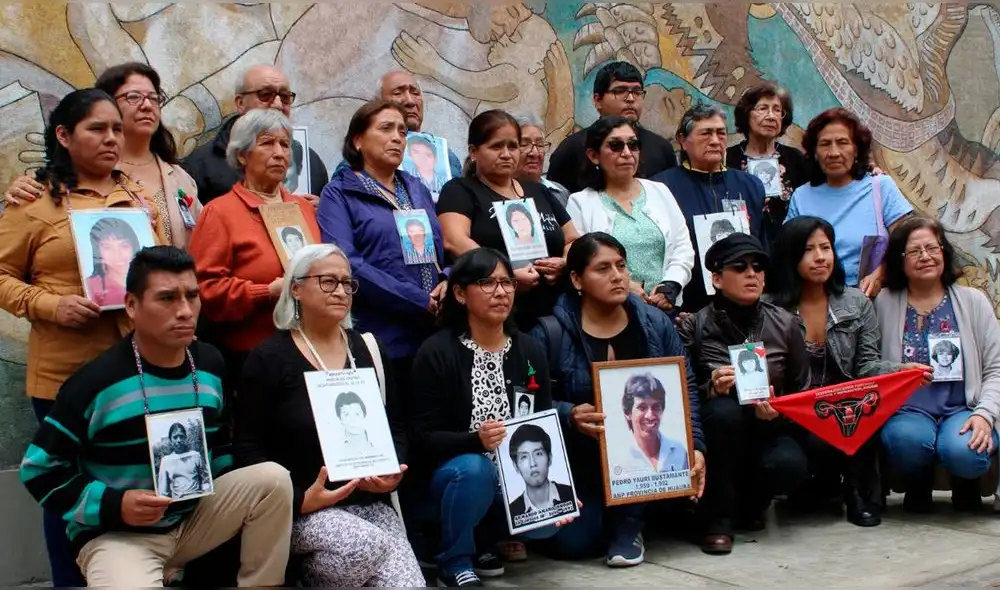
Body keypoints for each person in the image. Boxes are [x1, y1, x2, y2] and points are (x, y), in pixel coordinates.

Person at [19, 246, 293, 586]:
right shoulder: (96, 383)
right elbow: (39, 470)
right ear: (131, 306)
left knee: (273, 480)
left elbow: (220, 442)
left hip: (194, 520)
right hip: (119, 536)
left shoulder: (209, 364)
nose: (184, 311)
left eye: (192, 296)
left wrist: (214, 484)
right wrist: (116, 504)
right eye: (166, 298)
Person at [0, 88, 162, 587]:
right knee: (67, 492)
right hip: (64, 376)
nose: (112, 138)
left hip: (134, 369)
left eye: (116, 128)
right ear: (64, 136)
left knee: (128, 484)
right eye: (97, 128)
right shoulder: (32, 201)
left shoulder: (136, 198)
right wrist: (50, 304)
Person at [233, 243, 423, 587]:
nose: (341, 292)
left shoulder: (368, 348)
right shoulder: (269, 358)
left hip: (369, 503)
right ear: (295, 288)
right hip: (301, 511)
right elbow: (247, 449)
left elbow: (395, 424)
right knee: (361, 548)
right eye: (327, 282)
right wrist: (297, 498)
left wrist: (394, 469)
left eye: (347, 284)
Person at [531, 232, 706, 566]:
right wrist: (568, 414)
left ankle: (632, 522)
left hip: (646, 457)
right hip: (579, 458)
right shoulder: (549, 332)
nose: (617, 276)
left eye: (621, 266)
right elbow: (526, 405)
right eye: (603, 268)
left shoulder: (654, 322)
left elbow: (685, 386)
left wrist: (695, 444)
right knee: (576, 543)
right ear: (576, 279)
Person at [409, 248, 574, 587]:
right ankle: (453, 560)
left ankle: (485, 541)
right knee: (476, 468)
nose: (501, 292)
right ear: (459, 293)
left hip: (512, 475)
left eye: (507, 282)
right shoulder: (436, 352)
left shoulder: (529, 349)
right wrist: (475, 441)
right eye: (487, 283)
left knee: (547, 523)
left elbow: (542, 422)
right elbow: (422, 436)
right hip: (450, 477)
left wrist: (560, 485)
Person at [766, 216, 929, 526]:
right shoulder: (769, 307)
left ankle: (856, 491)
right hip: (791, 416)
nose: (820, 257)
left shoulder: (856, 302)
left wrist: (900, 370)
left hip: (846, 412)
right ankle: (815, 487)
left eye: (826, 248)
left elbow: (867, 365)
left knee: (861, 410)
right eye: (808, 250)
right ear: (789, 257)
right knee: (790, 463)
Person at [676, 233, 810, 555]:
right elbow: (678, 393)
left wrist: (777, 412)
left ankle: (752, 506)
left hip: (769, 428)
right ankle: (716, 519)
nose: (753, 274)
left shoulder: (787, 323)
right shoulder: (693, 325)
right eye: (741, 267)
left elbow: (802, 390)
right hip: (715, 433)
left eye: (759, 267)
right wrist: (711, 388)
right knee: (724, 412)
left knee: (790, 464)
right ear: (717, 278)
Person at [319, 100, 448, 398]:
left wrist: (449, 280)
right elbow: (347, 263)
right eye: (386, 128)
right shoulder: (339, 192)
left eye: (402, 131)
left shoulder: (415, 187)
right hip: (381, 336)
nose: (397, 138)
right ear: (358, 140)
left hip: (434, 331)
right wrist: (416, 299)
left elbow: (442, 250)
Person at [187, 108, 321, 395]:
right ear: (242, 155)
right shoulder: (219, 212)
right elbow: (203, 289)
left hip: (308, 346)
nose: (279, 153)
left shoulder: (303, 208)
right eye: (267, 143)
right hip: (251, 355)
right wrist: (265, 291)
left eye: (285, 144)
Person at [876, 216, 1000, 513]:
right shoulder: (884, 302)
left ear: (944, 252)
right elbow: (869, 364)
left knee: (965, 451)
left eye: (932, 248)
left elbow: (996, 367)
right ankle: (917, 481)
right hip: (908, 411)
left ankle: (965, 482)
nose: (926, 257)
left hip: (963, 409)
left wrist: (985, 414)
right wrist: (895, 370)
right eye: (914, 251)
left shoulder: (974, 301)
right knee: (904, 442)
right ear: (899, 260)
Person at [5, 62, 199, 248]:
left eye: (154, 97)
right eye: (134, 97)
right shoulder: (82, 174)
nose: (147, 105)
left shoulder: (181, 177)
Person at [438, 109, 579, 332]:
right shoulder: (460, 191)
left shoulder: (539, 192)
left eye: (513, 146)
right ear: (474, 152)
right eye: (496, 146)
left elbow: (572, 239)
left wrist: (564, 262)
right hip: (493, 316)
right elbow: (454, 240)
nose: (506, 154)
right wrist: (506, 276)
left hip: (554, 316)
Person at [566, 116, 694, 311]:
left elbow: (682, 247)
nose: (626, 153)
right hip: (610, 311)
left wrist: (671, 285)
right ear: (593, 155)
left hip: (664, 310)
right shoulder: (581, 203)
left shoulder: (660, 191)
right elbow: (582, 262)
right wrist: (626, 286)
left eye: (633, 145)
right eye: (615, 146)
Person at [651, 104, 767, 314]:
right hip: (687, 306)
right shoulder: (661, 187)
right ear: (682, 140)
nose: (715, 140)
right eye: (706, 133)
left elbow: (760, 241)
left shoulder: (750, 185)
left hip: (743, 305)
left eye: (721, 133)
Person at [785, 108, 913, 296]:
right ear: (814, 152)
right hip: (819, 302)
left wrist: (880, 273)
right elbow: (789, 252)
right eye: (825, 144)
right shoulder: (801, 196)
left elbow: (908, 241)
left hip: (874, 299)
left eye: (843, 143)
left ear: (856, 149)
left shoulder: (880, 187)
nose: (834, 152)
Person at [183, 64, 328, 204]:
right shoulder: (201, 165)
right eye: (265, 95)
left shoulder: (311, 162)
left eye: (284, 97)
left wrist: (322, 212)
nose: (278, 105)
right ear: (240, 103)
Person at [547, 62, 677, 194]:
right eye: (620, 91)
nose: (631, 98)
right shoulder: (572, 148)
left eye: (637, 92)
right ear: (598, 101)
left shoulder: (661, 148)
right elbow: (556, 201)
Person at [726, 83, 809, 245]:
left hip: (788, 247)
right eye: (762, 108)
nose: (771, 116)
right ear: (747, 114)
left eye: (777, 110)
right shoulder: (728, 158)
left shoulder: (795, 158)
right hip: (742, 246)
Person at [376, 70, 462, 178]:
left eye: (415, 93)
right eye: (397, 93)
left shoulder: (447, 158)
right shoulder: (369, 149)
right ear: (377, 104)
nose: (410, 101)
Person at [616, 373, 690, 473]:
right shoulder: (618, 458)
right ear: (628, 413)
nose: (650, 416)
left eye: (656, 407)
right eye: (642, 407)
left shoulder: (679, 451)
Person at [506, 424, 575, 521]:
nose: (532, 463)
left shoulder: (572, 495)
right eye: (524, 457)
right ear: (516, 466)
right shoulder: (512, 512)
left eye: (538, 454)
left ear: (550, 458)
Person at [514, 114, 570, 207]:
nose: (535, 153)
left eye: (540, 145)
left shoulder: (560, 193)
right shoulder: (498, 194)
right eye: (524, 144)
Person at [86, 217, 142, 307]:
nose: (117, 254)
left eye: (124, 245)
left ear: (134, 247)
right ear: (97, 251)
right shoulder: (91, 286)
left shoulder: (149, 280)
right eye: (107, 247)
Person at [157, 422, 211, 500]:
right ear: (170, 440)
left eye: (181, 436)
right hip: (178, 503)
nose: (179, 440)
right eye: (175, 437)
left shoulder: (195, 455)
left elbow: (205, 479)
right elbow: (163, 492)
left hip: (198, 499)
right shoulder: (166, 461)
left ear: (185, 437)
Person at [335, 391, 377, 456]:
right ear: (340, 419)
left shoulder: (377, 452)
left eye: (357, 414)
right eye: (346, 414)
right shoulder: (337, 455)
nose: (353, 419)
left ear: (364, 415)